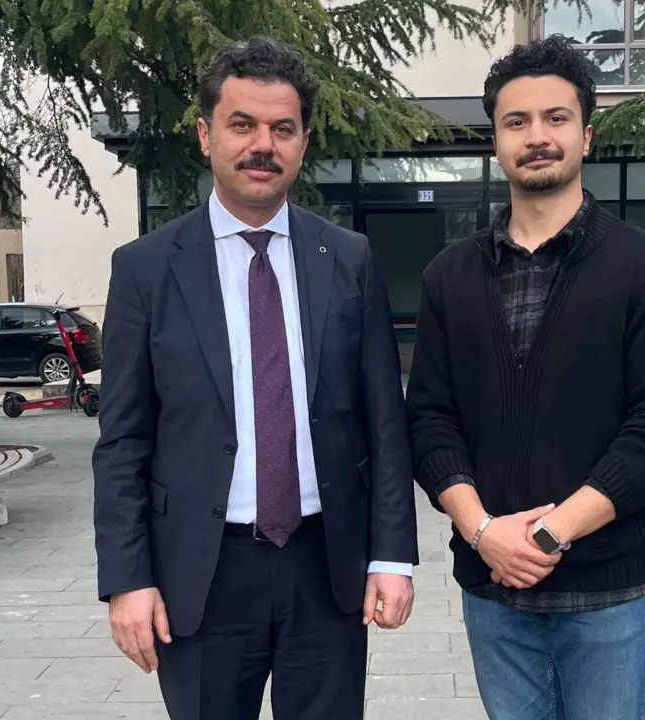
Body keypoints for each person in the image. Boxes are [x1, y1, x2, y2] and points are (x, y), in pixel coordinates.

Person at [92, 36, 418, 720]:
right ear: (205, 134)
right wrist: (127, 579)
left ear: (303, 142)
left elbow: (384, 421)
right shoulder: (145, 270)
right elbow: (122, 441)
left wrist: (393, 556)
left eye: (282, 129)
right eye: (242, 125)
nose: (262, 145)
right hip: (198, 574)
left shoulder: (349, 259)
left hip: (326, 566)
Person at [405, 36, 645, 720]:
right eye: (516, 121)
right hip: (491, 588)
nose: (536, 136)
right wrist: (483, 532)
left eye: (556, 118)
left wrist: (546, 536)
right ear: (496, 141)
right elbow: (429, 419)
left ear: (586, 135)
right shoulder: (450, 276)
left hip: (607, 591)